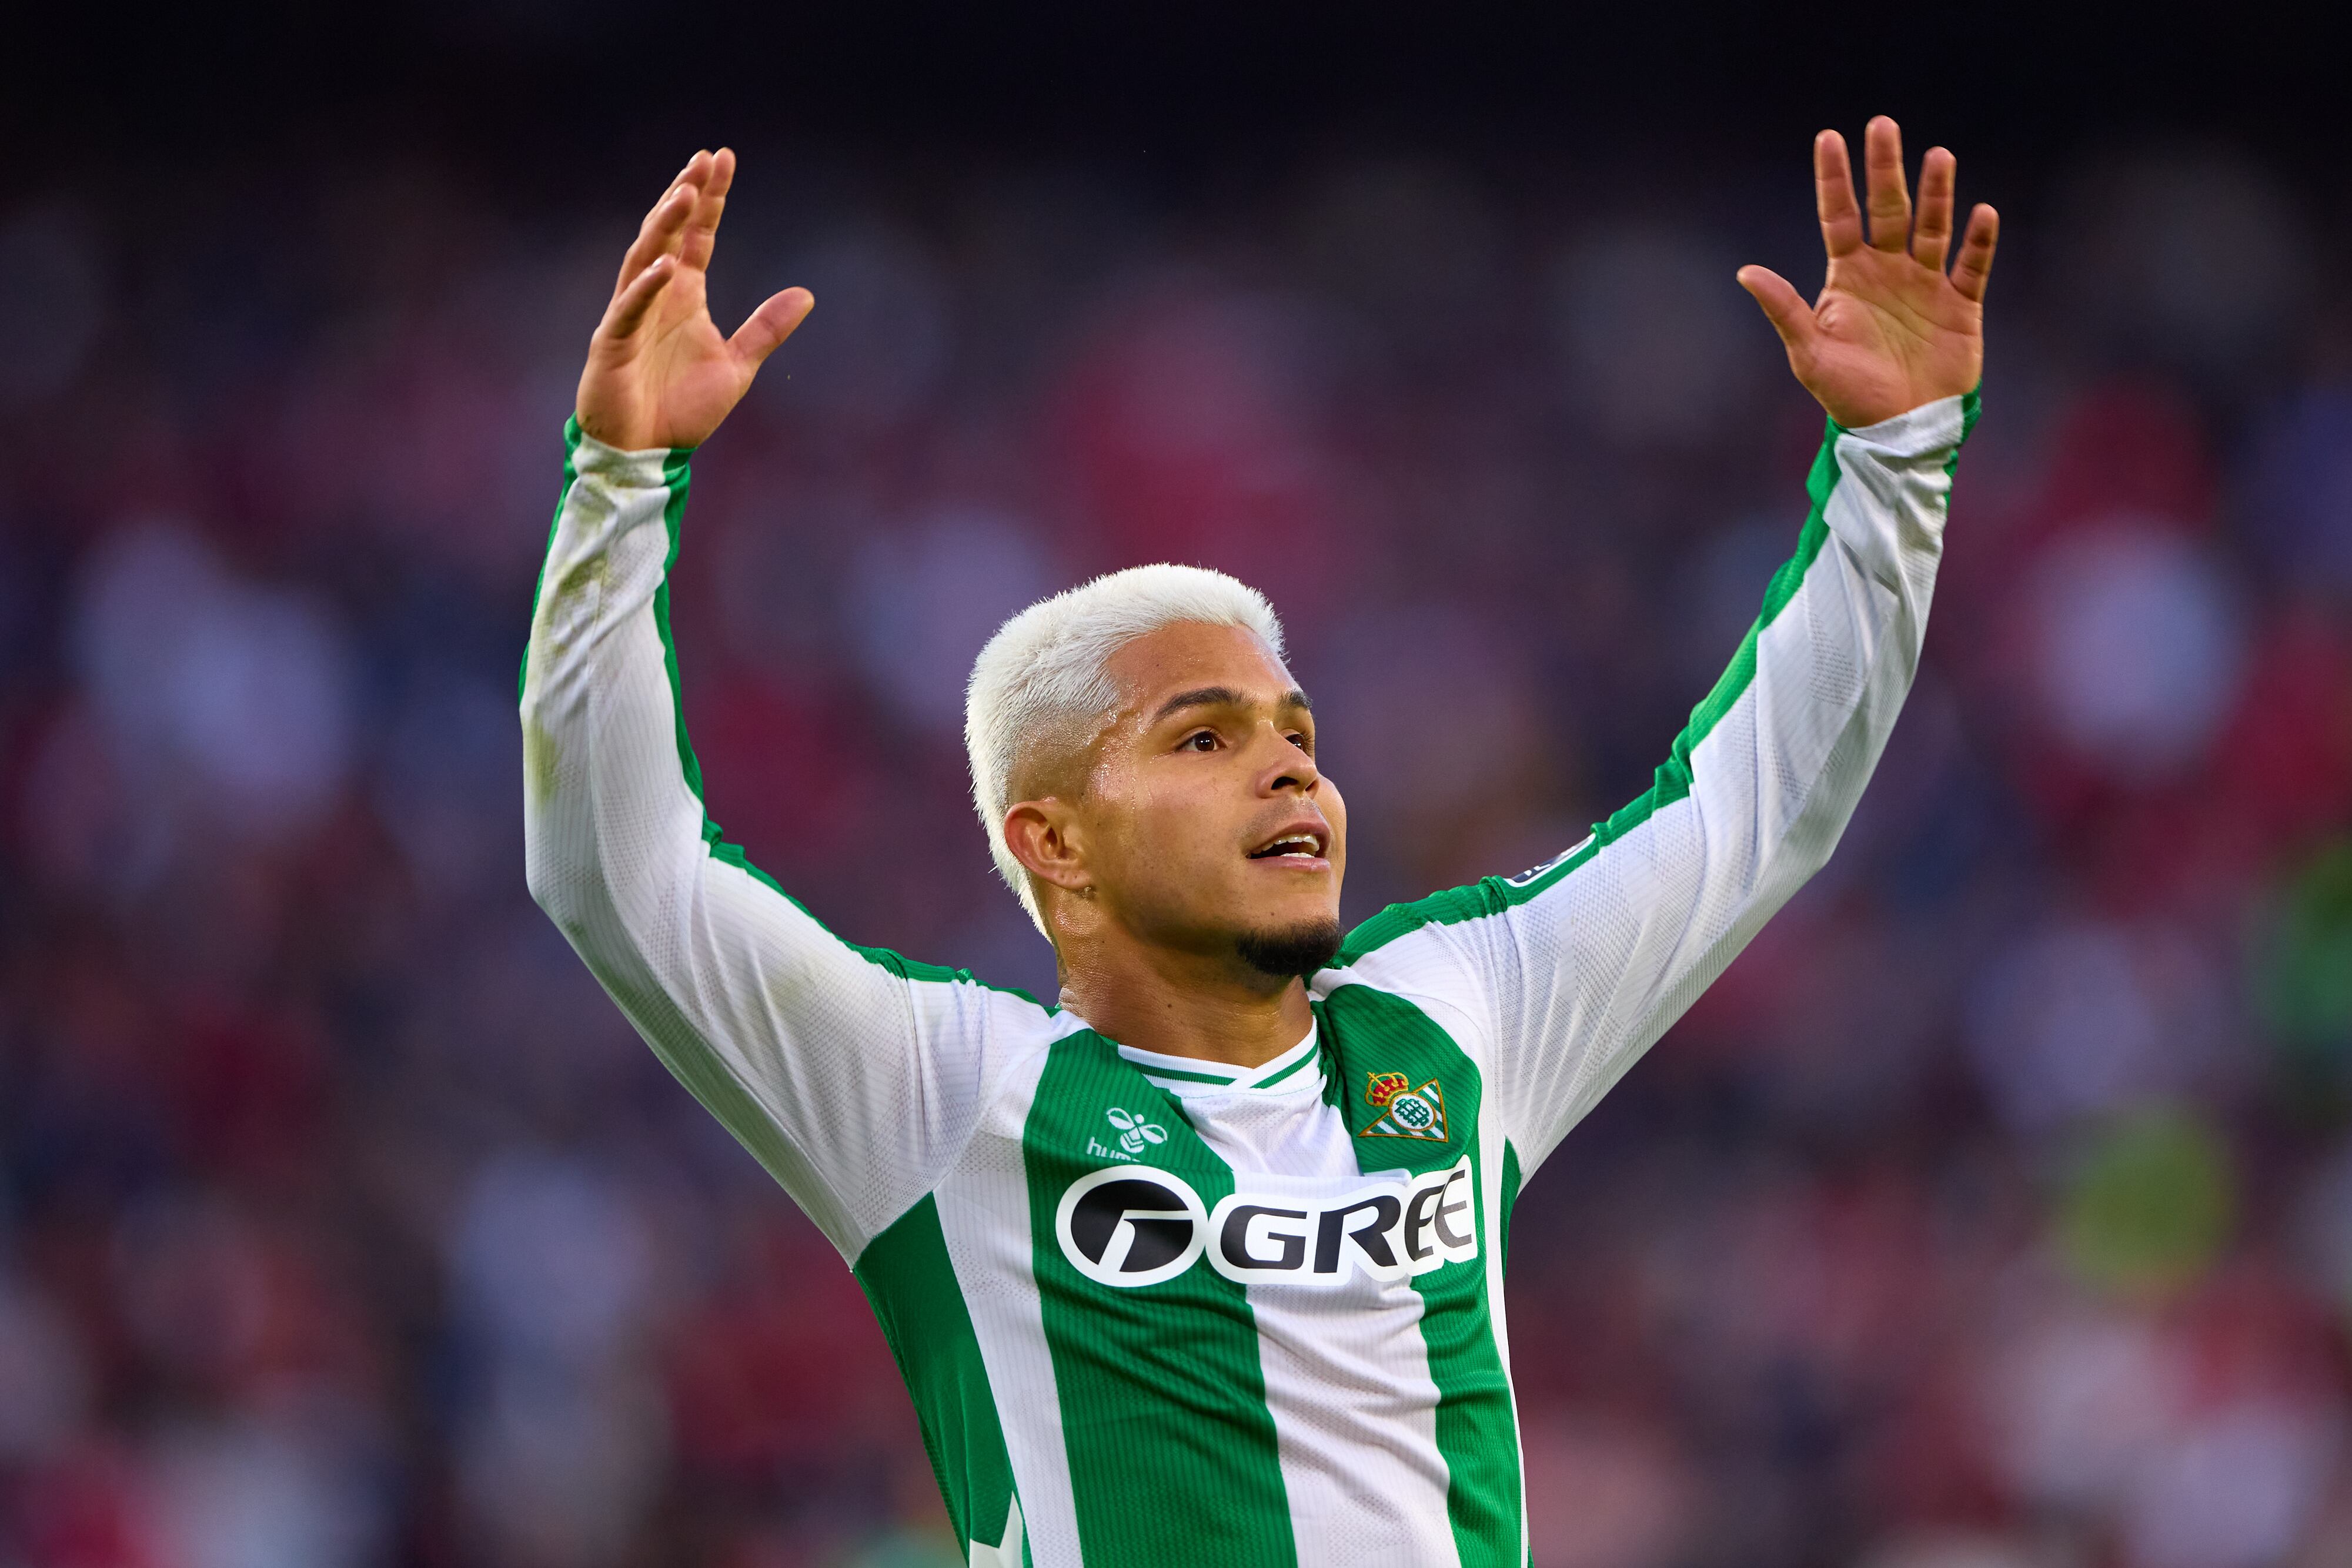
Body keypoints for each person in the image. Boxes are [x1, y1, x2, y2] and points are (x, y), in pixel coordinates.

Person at [521, 116, 1996, 1568]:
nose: (1290, 768)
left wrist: (1896, 460)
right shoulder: (945, 1097)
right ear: (1057, 844)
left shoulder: (1447, 1025)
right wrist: (619, 484)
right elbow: (622, 876)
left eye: (1296, 731)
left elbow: (1747, 814)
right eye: (1204, 738)